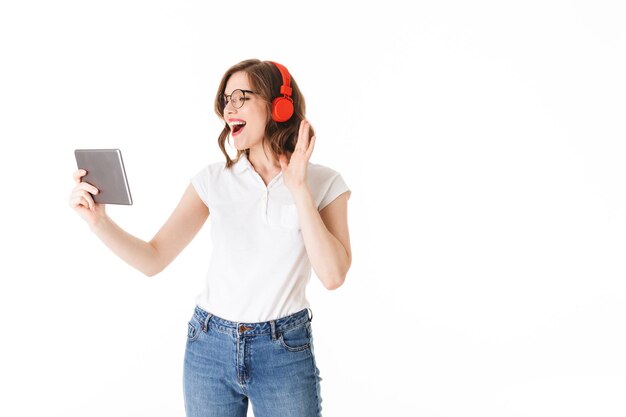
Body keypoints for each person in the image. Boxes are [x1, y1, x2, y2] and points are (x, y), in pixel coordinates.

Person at [68, 59, 352, 417]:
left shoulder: (325, 183)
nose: (228, 108)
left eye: (241, 97)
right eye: (225, 99)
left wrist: (298, 188)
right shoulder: (212, 180)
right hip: (209, 345)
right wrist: (98, 223)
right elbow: (153, 258)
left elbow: (333, 275)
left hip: (284, 350)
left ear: (279, 106)